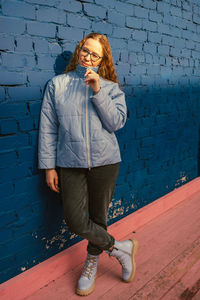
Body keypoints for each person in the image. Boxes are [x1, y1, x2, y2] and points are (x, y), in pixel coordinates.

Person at [38, 32, 138, 296]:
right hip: (70, 163)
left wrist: (97, 90)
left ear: (102, 59)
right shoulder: (57, 85)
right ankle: (120, 248)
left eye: (95, 54)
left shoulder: (110, 87)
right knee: (75, 221)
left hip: (106, 162)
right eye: (85, 50)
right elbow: (48, 128)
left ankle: (91, 260)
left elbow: (116, 123)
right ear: (78, 50)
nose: (88, 57)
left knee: (98, 218)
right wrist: (49, 166)